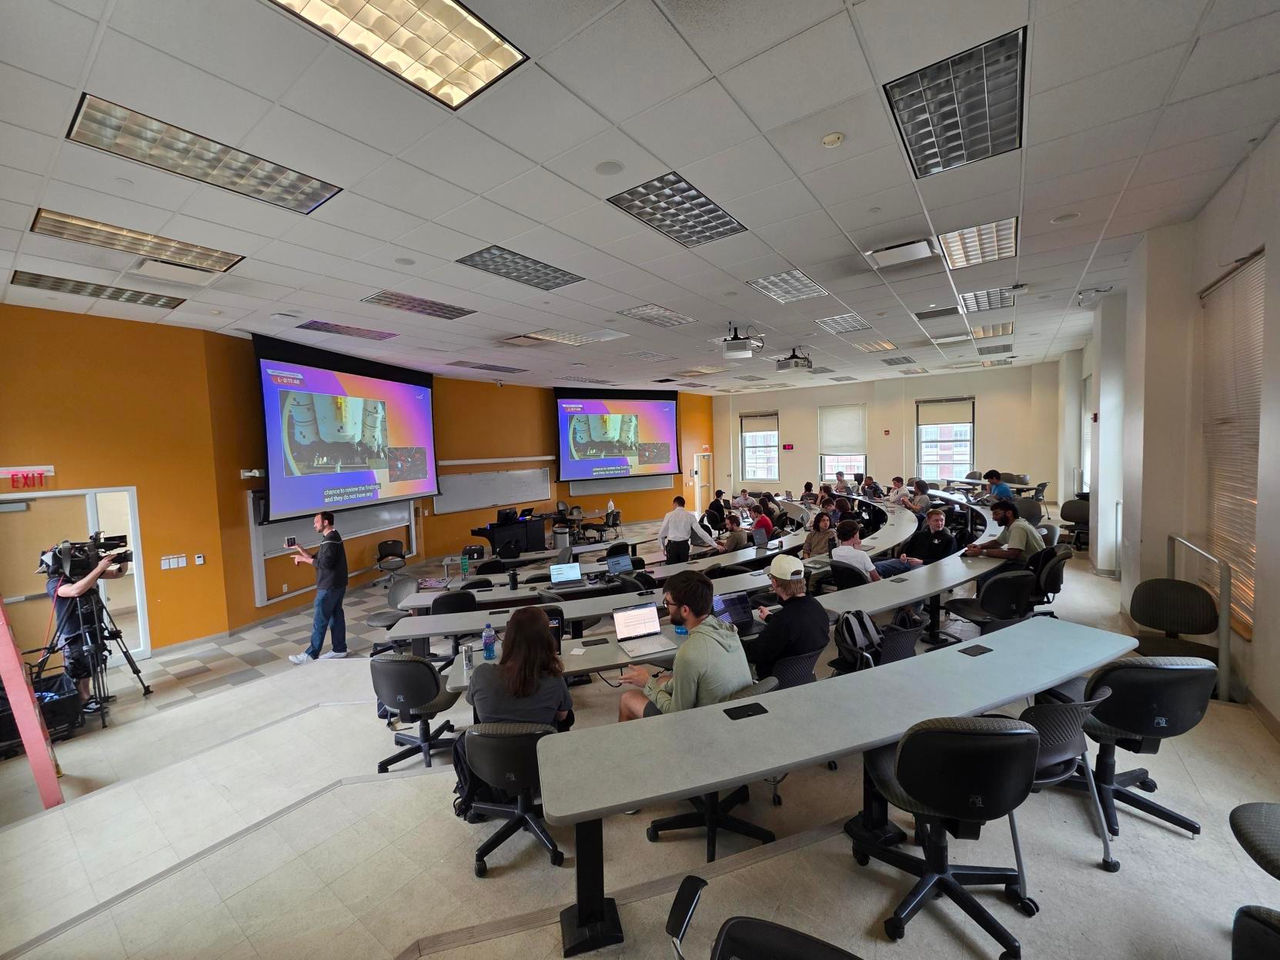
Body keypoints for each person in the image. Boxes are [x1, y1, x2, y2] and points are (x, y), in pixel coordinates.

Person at [617, 570, 751, 720]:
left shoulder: (688, 653)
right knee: (663, 680)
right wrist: (656, 684)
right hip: (732, 714)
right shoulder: (727, 629)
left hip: (707, 724)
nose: (667, 607)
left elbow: (677, 715)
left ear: (685, 610)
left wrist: (648, 684)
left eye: (668, 603)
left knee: (627, 698)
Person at [45, 550, 129, 706]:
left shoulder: (85, 575)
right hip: (73, 631)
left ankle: (87, 696)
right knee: (77, 667)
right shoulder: (54, 581)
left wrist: (123, 560)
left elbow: (117, 574)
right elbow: (75, 590)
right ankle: (80, 702)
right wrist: (98, 569)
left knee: (90, 663)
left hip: (92, 625)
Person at [466, 606, 572, 729]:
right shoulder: (554, 679)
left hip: (491, 747)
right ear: (547, 642)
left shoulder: (481, 674)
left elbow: (473, 702)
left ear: (508, 639)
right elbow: (562, 716)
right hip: (538, 746)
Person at [748, 556, 831, 678]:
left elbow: (754, 653)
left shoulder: (783, 621)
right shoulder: (817, 607)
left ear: (775, 583)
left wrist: (732, 637)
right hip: (802, 675)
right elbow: (796, 627)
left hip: (773, 679)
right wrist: (770, 618)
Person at [289, 511, 349, 663]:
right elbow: (316, 558)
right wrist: (300, 549)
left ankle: (311, 655)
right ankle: (339, 649)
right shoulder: (331, 538)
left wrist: (302, 559)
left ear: (326, 522)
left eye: (316, 522)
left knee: (320, 620)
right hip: (337, 584)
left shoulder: (330, 541)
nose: (314, 525)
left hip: (329, 585)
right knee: (336, 616)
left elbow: (324, 564)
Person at [966, 499, 1046, 588]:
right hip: (1030, 563)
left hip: (1030, 568)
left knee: (986, 576)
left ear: (1009, 513)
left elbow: (1012, 554)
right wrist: (979, 546)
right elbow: (998, 542)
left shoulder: (1018, 527)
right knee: (987, 569)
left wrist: (981, 552)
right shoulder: (1014, 523)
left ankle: (993, 600)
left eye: (997, 514)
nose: (993, 518)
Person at [875, 508, 957, 576]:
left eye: (942, 520)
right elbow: (907, 550)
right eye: (936, 520)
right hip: (908, 562)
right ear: (928, 522)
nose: (939, 523)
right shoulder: (919, 535)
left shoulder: (949, 539)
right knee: (877, 567)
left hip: (927, 566)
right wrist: (903, 555)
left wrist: (922, 561)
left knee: (912, 577)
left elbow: (945, 561)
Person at [659, 495, 718, 563]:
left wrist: (662, 547)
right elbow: (701, 532)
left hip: (672, 546)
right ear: (683, 505)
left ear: (675, 504)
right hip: (684, 546)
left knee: (672, 569)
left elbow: (661, 534)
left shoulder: (669, 515)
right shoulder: (690, 516)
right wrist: (715, 544)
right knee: (684, 567)